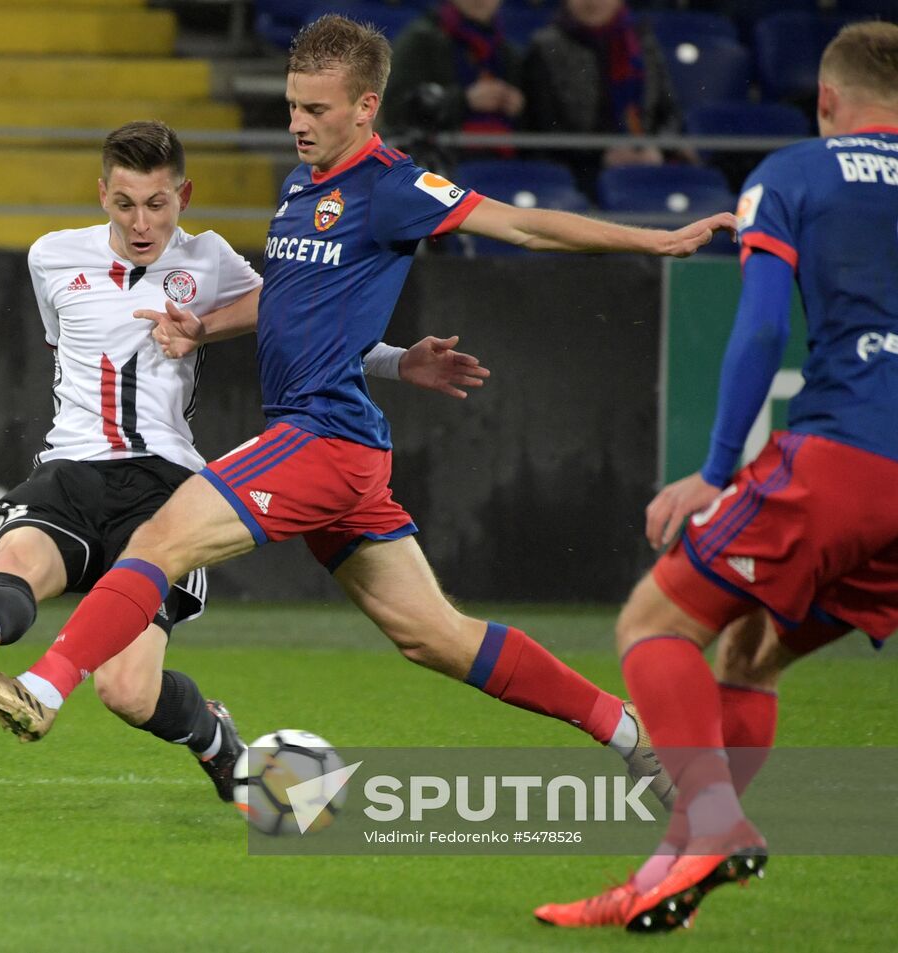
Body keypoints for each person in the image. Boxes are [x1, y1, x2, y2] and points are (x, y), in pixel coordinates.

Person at [0, 16, 732, 806]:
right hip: (334, 444)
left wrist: (652, 240)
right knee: (435, 635)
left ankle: (41, 688)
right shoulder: (304, 184)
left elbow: (520, 224)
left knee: (158, 539)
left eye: (316, 109)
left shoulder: (394, 185)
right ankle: (627, 731)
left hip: (322, 438)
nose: (298, 123)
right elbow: (295, 311)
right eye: (292, 104)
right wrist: (247, 332)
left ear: (366, 106)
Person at [0, 119, 492, 802]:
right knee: (17, 562)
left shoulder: (212, 263)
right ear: (101, 194)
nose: (142, 222)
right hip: (71, 471)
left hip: (165, 490)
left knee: (125, 689)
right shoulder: (51, 257)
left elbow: (302, 324)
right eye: (124, 204)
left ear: (185, 195)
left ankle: (215, 739)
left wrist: (397, 360)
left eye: (158, 204)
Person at [534, 20, 898, 933]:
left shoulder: (794, 172)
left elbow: (764, 329)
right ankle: (669, 874)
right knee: (751, 648)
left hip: (846, 453)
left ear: (824, 101)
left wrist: (713, 470)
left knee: (652, 621)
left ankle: (712, 823)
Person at [521, 0, 681, 190]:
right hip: (576, 171)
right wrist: (602, 155)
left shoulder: (642, 40)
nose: (593, 2)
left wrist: (657, 149)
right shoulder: (545, 46)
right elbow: (543, 125)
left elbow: (670, 113)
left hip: (647, 164)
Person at [381, 0, 525, 155]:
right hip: (433, 159)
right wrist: (465, 100)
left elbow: (540, 127)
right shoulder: (420, 41)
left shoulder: (507, 53)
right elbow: (395, 109)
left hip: (503, 158)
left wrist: (519, 106)